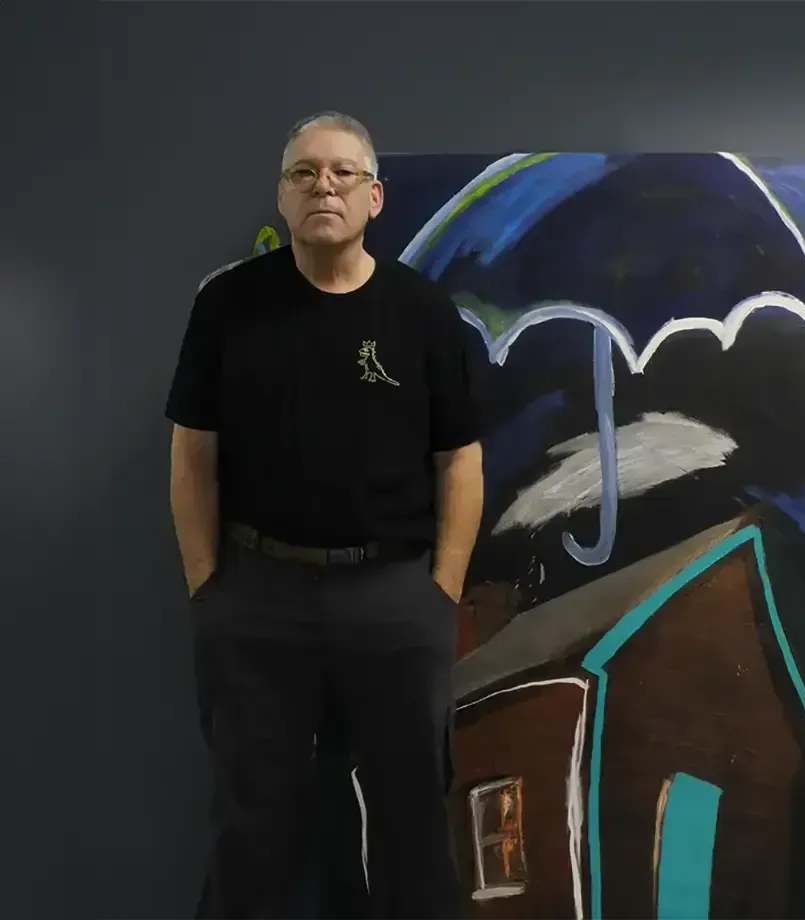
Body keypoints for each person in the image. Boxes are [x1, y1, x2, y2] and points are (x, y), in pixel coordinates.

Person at [165, 111, 483, 919]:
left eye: (343, 173)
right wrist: (209, 589)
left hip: (394, 597)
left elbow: (462, 463)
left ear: (375, 197)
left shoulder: (423, 313)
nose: (324, 187)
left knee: (412, 820)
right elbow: (192, 454)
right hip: (258, 595)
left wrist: (439, 592)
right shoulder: (229, 308)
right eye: (304, 173)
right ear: (282, 196)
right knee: (253, 822)